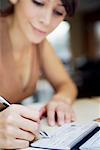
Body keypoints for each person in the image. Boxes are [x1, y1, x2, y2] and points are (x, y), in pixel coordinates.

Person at [0, 0, 78, 149]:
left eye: (58, 12)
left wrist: (61, 99)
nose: (46, 20)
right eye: (38, 2)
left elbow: (66, 84)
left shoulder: (40, 43)